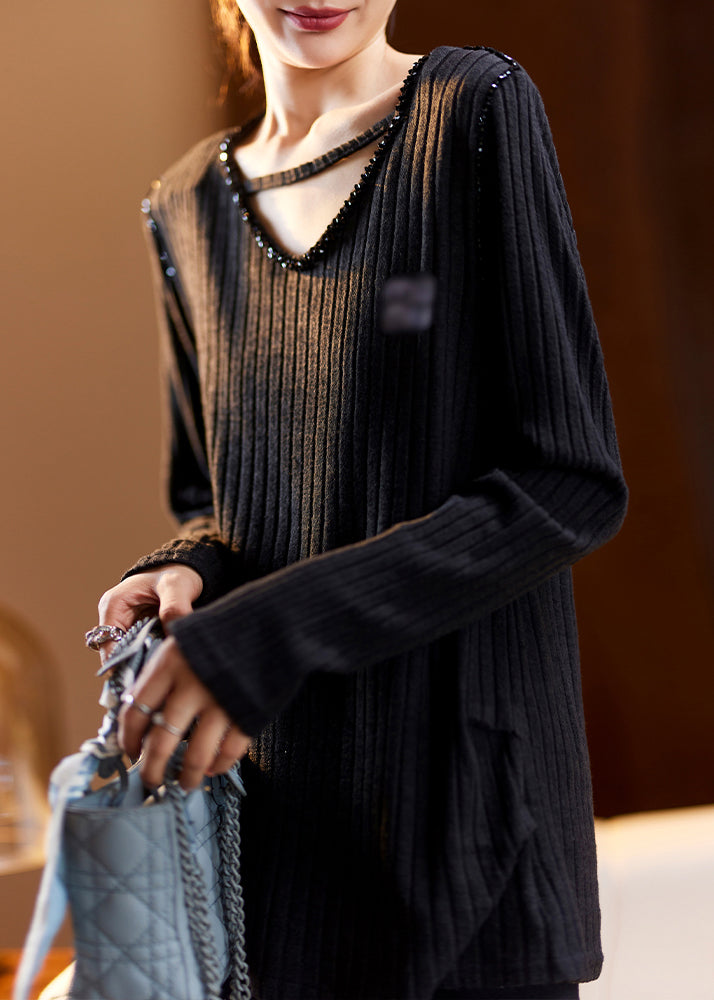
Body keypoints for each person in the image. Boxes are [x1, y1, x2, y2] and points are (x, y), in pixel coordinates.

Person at [94, 2, 628, 998]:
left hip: (466, 825)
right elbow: (210, 495)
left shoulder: (473, 110)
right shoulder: (185, 205)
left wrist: (266, 634)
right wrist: (186, 566)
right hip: (288, 834)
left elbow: (568, 482)